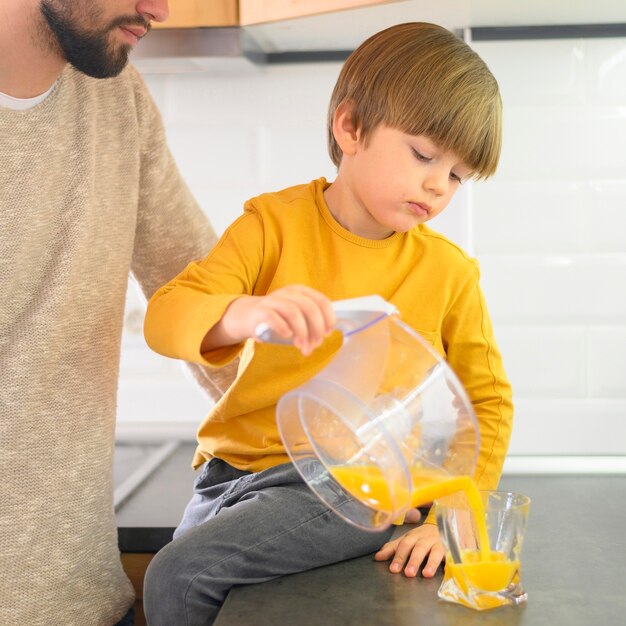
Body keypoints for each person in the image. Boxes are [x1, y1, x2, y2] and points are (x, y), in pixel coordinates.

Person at [142, 22, 513, 626]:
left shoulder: (448, 272)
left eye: (456, 175)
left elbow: (487, 401)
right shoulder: (272, 225)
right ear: (351, 127)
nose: (437, 187)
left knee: (177, 574)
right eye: (423, 155)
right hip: (226, 478)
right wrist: (246, 313)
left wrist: (454, 518)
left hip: (347, 483)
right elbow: (166, 316)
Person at [0, 1, 234, 625]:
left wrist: (341, 443)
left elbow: (199, 290)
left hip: (88, 600)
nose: (160, 7)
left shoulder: (117, 100)